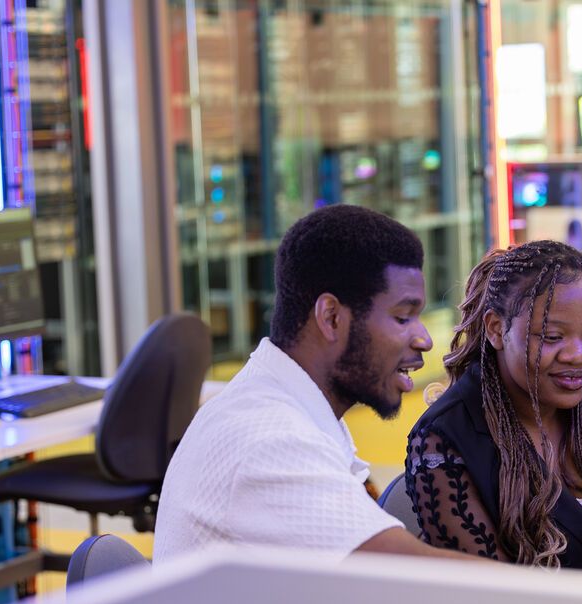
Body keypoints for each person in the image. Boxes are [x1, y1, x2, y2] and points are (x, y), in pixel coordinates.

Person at [154, 204, 474, 563]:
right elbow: (403, 571)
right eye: (402, 317)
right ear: (331, 317)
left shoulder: (287, 405)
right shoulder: (269, 439)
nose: (424, 339)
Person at [405, 240, 582, 572]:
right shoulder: (445, 438)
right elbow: (498, 599)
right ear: (496, 329)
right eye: (552, 337)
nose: (578, 355)